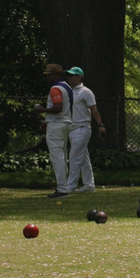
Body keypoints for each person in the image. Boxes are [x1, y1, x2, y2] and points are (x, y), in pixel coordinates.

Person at [64, 67, 106, 194]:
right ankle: (89, 184)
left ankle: (70, 186)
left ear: (79, 77)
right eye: (68, 76)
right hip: (72, 129)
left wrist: (100, 124)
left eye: (72, 75)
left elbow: (94, 110)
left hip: (82, 128)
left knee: (74, 157)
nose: (69, 78)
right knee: (83, 158)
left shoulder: (86, 92)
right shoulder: (68, 91)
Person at [34, 63, 73, 198]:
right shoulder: (68, 87)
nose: (48, 77)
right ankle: (64, 186)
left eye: (49, 75)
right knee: (62, 156)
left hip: (57, 124)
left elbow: (58, 108)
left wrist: (42, 110)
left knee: (57, 157)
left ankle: (62, 189)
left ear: (55, 74)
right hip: (66, 123)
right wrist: (47, 120)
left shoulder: (55, 88)